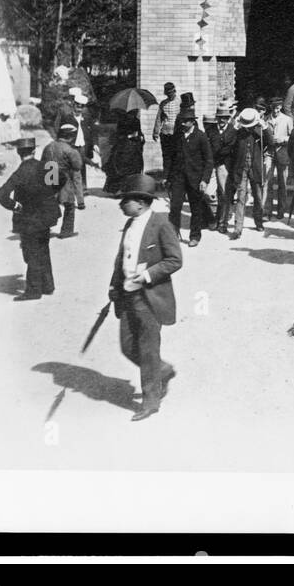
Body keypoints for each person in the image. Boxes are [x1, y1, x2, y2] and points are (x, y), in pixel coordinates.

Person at [108, 174, 182, 422]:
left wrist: (148, 275)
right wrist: (113, 286)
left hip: (150, 296)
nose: (121, 204)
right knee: (128, 345)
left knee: (148, 349)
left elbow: (174, 260)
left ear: (140, 202)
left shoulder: (161, 224)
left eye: (125, 200)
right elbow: (121, 258)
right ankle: (163, 371)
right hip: (127, 294)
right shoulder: (130, 224)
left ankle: (151, 400)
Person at [0, 136, 62, 300]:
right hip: (46, 216)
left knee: (32, 253)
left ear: (19, 153)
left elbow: (1, 194)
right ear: (34, 151)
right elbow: (62, 179)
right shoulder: (47, 166)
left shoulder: (19, 173)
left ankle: (33, 291)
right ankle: (47, 285)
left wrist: (16, 206)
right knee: (43, 249)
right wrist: (50, 193)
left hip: (28, 218)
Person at [169, 105, 214, 246]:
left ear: (192, 122)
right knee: (175, 206)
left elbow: (209, 160)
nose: (182, 123)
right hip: (179, 178)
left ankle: (195, 236)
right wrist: (168, 177)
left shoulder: (200, 136)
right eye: (181, 121)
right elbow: (171, 157)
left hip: (196, 179)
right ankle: (173, 234)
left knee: (196, 208)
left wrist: (205, 180)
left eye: (185, 121)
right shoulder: (178, 136)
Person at [227, 105, 267, 239]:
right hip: (241, 169)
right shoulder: (238, 133)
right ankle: (238, 228)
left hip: (255, 168)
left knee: (258, 197)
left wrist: (265, 127)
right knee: (241, 198)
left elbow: (271, 141)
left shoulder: (258, 132)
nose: (249, 127)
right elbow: (227, 140)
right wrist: (234, 127)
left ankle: (259, 222)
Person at [42, 121, 85, 238]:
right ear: (71, 137)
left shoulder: (48, 147)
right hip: (63, 180)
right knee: (69, 205)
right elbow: (77, 166)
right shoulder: (70, 150)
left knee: (48, 205)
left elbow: (42, 163)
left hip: (48, 179)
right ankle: (66, 231)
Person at [56, 88, 96, 199]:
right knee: (69, 166)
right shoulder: (67, 115)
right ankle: (69, 189)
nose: (79, 108)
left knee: (81, 165)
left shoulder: (86, 116)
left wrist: (92, 145)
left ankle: (83, 188)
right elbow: (59, 128)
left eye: (82, 106)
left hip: (82, 145)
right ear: (74, 104)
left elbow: (91, 130)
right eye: (77, 105)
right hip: (71, 144)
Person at [210, 99, 237, 234]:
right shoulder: (211, 130)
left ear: (228, 118)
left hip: (224, 166)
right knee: (208, 193)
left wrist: (216, 152)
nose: (222, 120)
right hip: (211, 165)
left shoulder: (233, 131)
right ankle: (213, 217)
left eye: (225, 118)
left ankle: (222, 222)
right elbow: (208, 147)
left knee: (224, 194)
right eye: (220, 118)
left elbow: (229, 149)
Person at [265, 97, 294, 219]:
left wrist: (283, 139)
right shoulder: (266, 119)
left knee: (282, 183)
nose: (275, 111)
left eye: (277, 108)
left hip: (282, 152)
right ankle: (267, 211)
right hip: (270, 153)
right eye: (273, 108)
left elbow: (292, 137)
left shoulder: (287, 119)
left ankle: (281, 210)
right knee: (267, 181)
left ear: (281, 107)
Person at [104, 112, 144, 196]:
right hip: (124, 147)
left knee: (132, 168)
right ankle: (120, 190)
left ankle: (129, 189)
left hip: (132, 148)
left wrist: (140, 137)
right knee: (121, 168)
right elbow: (119, 134)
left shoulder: (136, 120)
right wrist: (130, 136)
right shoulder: (123, 121)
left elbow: (139, 133)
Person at [153, 82, 180, 185]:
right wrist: (155, 132)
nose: (170, 95)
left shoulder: (180, 102)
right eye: (168, 93)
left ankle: (175, 179)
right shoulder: (163, 103)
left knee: (176, 156)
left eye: (171, 93)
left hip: (176, 133)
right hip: (165, 133)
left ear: (174, 91)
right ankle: (167, 178)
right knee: (166, 156)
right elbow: (159, 118)